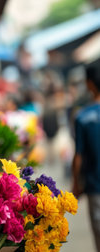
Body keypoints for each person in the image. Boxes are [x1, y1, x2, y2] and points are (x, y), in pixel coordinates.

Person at [71, 59, 100, 252]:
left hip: (95, 187)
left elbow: (78, 156)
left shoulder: (83, 116)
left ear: (89, 83)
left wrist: (76, 185)